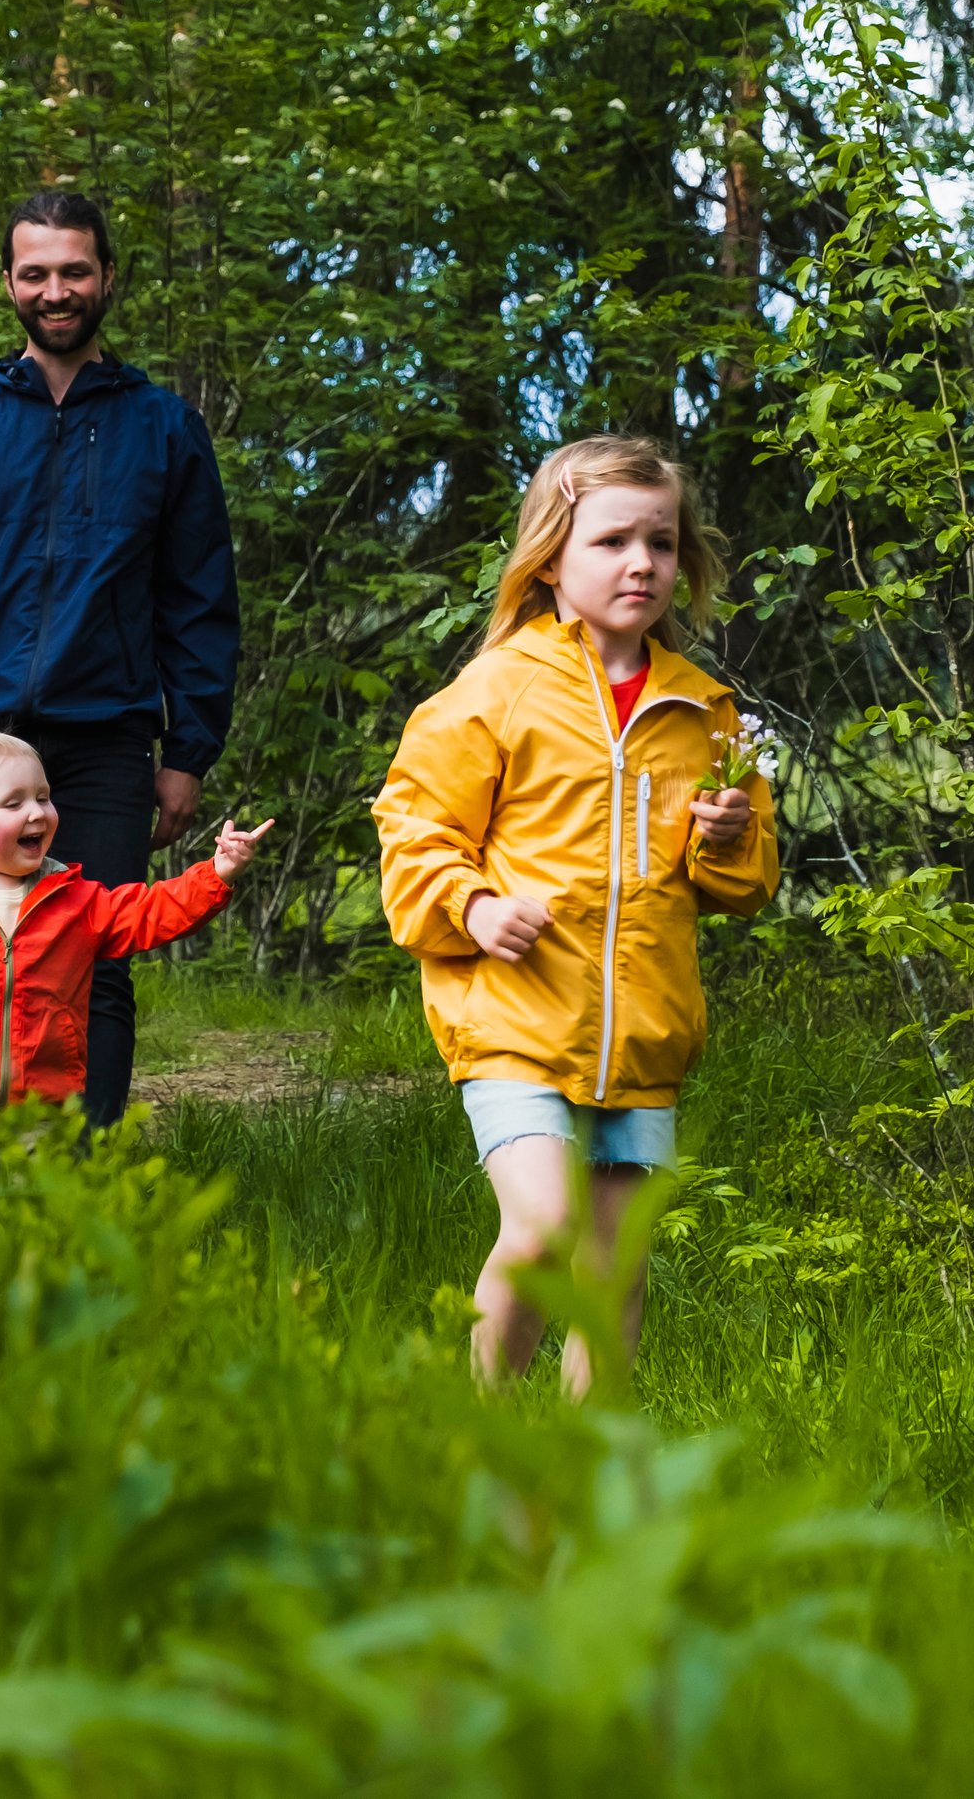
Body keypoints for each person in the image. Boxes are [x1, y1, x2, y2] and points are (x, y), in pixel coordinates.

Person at [373, 436, 778, 1394]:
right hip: (516, 1017)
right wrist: (471, 906)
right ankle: (479, 1428)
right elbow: (414, 826)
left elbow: (743, 881)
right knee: (544, 1228)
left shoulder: (704, 710)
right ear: (551, 558)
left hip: (643, 1033)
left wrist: (725, 838)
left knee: (612, 1272)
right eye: (611, 542)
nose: (642, 562)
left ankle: (588, 1474)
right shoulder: (499, 687)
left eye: (662, 541)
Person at [0, 190, 240, 1126]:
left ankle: (82, 1175)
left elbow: (200, 600)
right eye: (36, 273)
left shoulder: (164, 428)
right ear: (10, 283)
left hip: (106, 740)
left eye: (73, 271)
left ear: (106, 276)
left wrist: (187, 750)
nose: (55, 290)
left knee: (95, 959)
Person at [0, 730, 273, 1119]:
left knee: (41, 1206)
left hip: (45, 1114)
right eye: (14, 803)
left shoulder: (75, 900)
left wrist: (216, 873)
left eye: (43, 797)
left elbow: (151, 912)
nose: (37, 812)